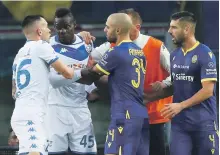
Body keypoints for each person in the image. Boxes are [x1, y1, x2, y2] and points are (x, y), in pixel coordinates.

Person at [81, 8, 172, 155]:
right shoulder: (138, 51)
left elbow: (91, 74)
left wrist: (65, 73)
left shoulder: (118, 50)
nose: (105, 30)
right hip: (140, 112)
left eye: (108, 27)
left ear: (120, 29)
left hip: (132, 113)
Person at [11, 15, 79, 155]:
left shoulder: (20, 54)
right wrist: (79, 69)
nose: (50, 30)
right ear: (39, 32)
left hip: (21, 112)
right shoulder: (42, 46)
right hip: (33, 114)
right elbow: (67, 73)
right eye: (46, 26)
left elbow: (14, 91)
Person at [161, 11, 219, 155]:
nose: (169, 31)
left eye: (174, 27)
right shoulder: (174, 55)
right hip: (180, 125)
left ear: (186, 29)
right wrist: (148, 97)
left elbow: (207, 91)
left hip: (203, 123)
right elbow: (176, 86)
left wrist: (180, 105)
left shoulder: (205, 54)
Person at [47, 8, 97, 155]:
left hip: (80, 109)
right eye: (58, 27)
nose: (62, 31)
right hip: (55, 109)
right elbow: (53, 81)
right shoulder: (48, 47)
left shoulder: (87, 44)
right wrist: (80, 73)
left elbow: (91, 70)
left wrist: (91, 89)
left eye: (66, 27)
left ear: (74, 25)